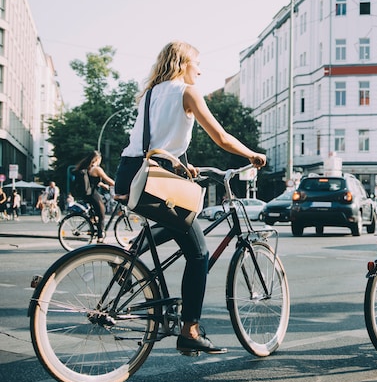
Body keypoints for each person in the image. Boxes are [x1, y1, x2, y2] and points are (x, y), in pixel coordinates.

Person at [113, 41, 266, 356]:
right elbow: (221, 137)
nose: (200, 69)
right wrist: (251, 155)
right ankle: (190, 330)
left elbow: (156, 138)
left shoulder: (151, 93)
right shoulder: (187, 92)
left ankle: (130, 256)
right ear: (182, 63)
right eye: (197, 62)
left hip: (130, 172)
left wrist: (182, 162)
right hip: (157, 175)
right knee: (198, 254)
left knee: (180, 222)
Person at [74, 151, 115, 238]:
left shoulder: (88, 168)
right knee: (102, 213)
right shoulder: (97, 169)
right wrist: (117, 185)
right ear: (97, 159)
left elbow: (92, 182)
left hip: (87, 194)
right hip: (92, 194)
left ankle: (93, 220)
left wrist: (103, 185)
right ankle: (100, 237)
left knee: (103, 201)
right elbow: (107, 179)